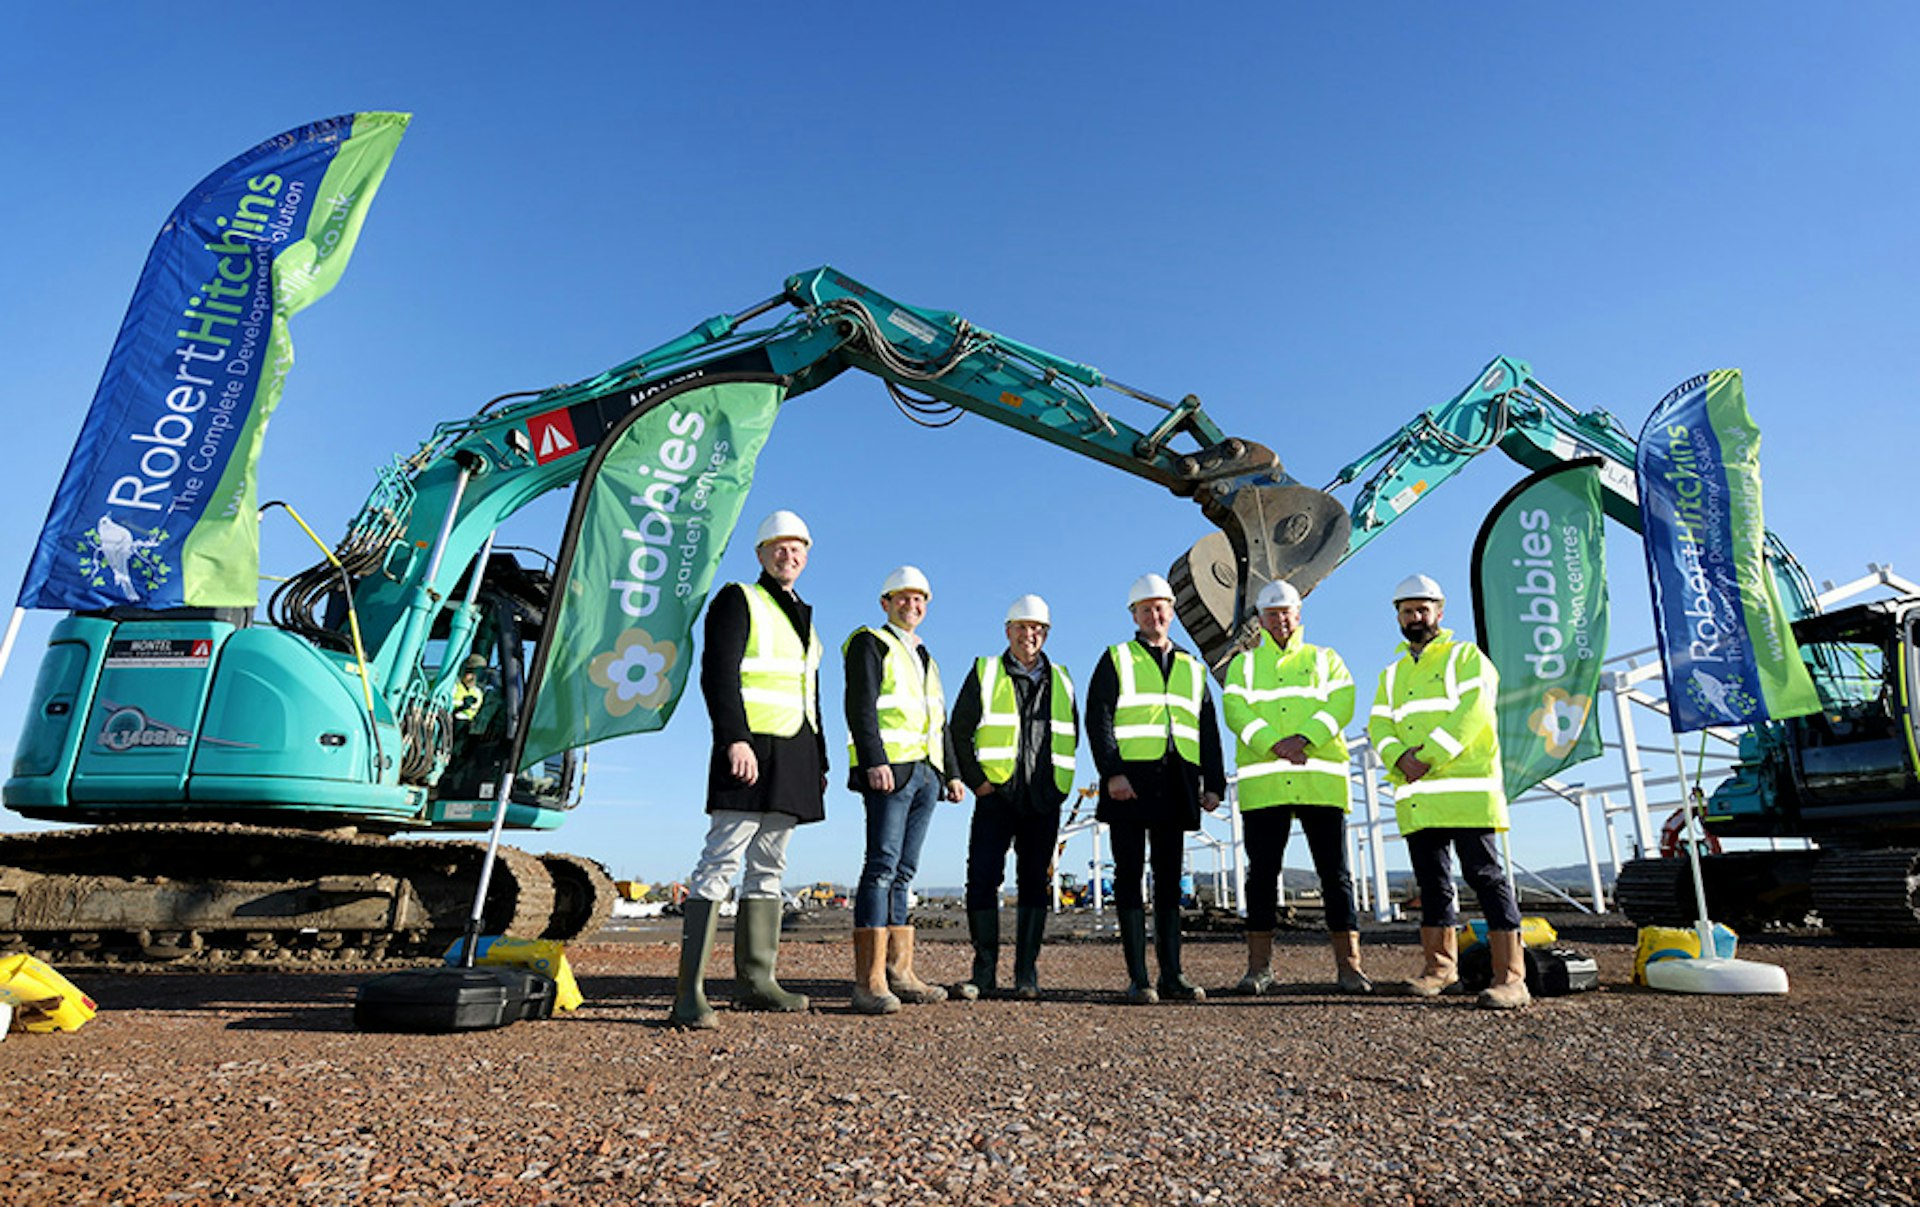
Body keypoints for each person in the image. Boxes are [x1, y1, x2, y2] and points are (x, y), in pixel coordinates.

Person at [668, 510, 827, 1029]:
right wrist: (733, 737)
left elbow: (811, 694)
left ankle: (757, 980)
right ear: (761, 554)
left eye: (797, 547)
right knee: (721, 862)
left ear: (806, 556)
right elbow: (718, 672)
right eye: (778, 547)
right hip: (750, 748)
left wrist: (819, 760)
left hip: (794, 754)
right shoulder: (740, 598)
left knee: (770, 868)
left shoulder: (805, 614)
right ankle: (689, 994)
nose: (789, 554)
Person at [1367, 574, 1530, 1010]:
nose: (1415, 617)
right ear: (1398, 617)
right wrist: (1399, 757)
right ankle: (1440, 970)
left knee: (1485, 877)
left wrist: (1428, 756)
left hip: (1465, 791)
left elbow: (1473, 709)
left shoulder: (1465, 658)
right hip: (1419, 797)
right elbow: (1379, 724)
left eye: (1423, 609)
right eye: (1407, 611)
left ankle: (1511, 978)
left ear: (1440, 612)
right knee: (1433, 883)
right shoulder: (1393, 673)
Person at [1222, 578, 1371, 995]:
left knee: (1335, 875)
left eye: (1285, 612)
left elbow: (1341, 703)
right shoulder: (1244, 664)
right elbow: (1234, 709)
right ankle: (1258, 969)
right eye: (1271, 614)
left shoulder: (1327, 660)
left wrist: (1303, 739)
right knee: (1262, 876)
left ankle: (1350, 968)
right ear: (1261, 620)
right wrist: (1273, 743)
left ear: (1298, 615)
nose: (1279, 620)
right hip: (1266, 786)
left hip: (1318, 783)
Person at [1085, 573, 1226, 1003]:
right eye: (1145, 608)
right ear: (1134, 615)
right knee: (1128, 877)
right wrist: (1112, 773)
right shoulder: (1117, 658)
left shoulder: (1191, 666)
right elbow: (1099, 719)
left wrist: (1213, 783)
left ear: (1172, 611)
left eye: (1161, 606)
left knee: (1168, 880)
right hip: (1130, 782)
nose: (1154, 614)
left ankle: (1173, 975)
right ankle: (1139, 978)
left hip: (1176, 782)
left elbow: (1207, 730)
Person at [844, 565, 964, 1014]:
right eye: (903, 598)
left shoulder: (926, 657)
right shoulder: (870, 643)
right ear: (886, 603)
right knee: (880, 866)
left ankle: (900, 972)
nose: (912, 605)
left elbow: (940, 721)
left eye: (920, 600)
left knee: (904, 873)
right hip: (891, 770)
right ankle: (869, 981)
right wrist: (874, 759)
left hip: (925, 774)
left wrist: (951, 773)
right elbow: (860, 705)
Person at [948, 594, 1078, 1001]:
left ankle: (1026, 974)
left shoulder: (1063, 679)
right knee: (983, 879)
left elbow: (1069, 736)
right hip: (996, 796)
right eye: (1021, 627)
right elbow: (958, 731)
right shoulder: (985, 672)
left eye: (1036, 628)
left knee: (1035, 883)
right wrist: (978, 783)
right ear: (1007, 631)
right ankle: (984, 972)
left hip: (1043, 799)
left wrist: (1059, 787)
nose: (1029, 635)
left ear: (1046, 633)